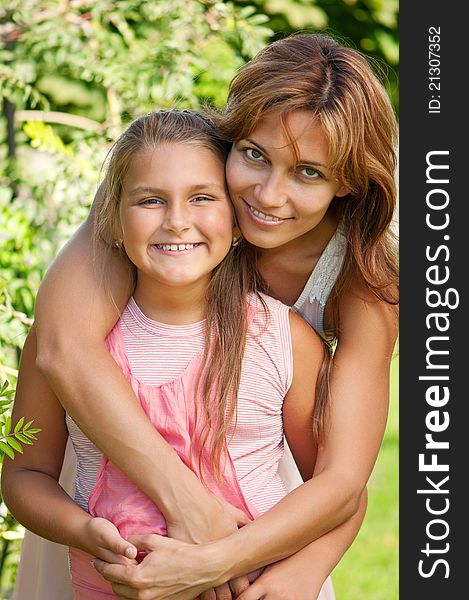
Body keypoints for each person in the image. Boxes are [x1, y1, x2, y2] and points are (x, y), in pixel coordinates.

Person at [12, 31, 398, 599]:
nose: (267, 195)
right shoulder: (167, 193)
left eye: (309, 173)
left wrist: (250, 562)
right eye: (254, 156)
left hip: (260, 519)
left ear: (347, 182)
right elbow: (63, 349)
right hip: (111, 487)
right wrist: (187, 506)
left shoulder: (364, 280)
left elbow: (342, 476)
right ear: (231, 136)